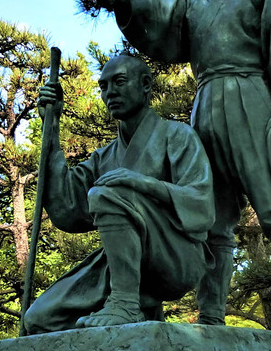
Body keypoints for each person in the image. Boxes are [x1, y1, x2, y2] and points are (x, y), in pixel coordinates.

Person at [88, 0, 271, 332]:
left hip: (255, 100)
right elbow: (154, 9)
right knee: (213, 220)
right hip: (205, 104)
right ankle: (211, 317)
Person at [22, 54, 215, 333]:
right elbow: (66, 204)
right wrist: (51, 127)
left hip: (176, 257)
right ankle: (140, 320)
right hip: (121, 265)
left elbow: (202, 204)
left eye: (119, 82)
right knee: (40, 319)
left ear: (146, 84)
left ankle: (125, 304)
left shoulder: (177, 135)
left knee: (109, 192)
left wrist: (139, 183)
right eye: (103, 86)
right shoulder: (105, 157)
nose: (110, 92)